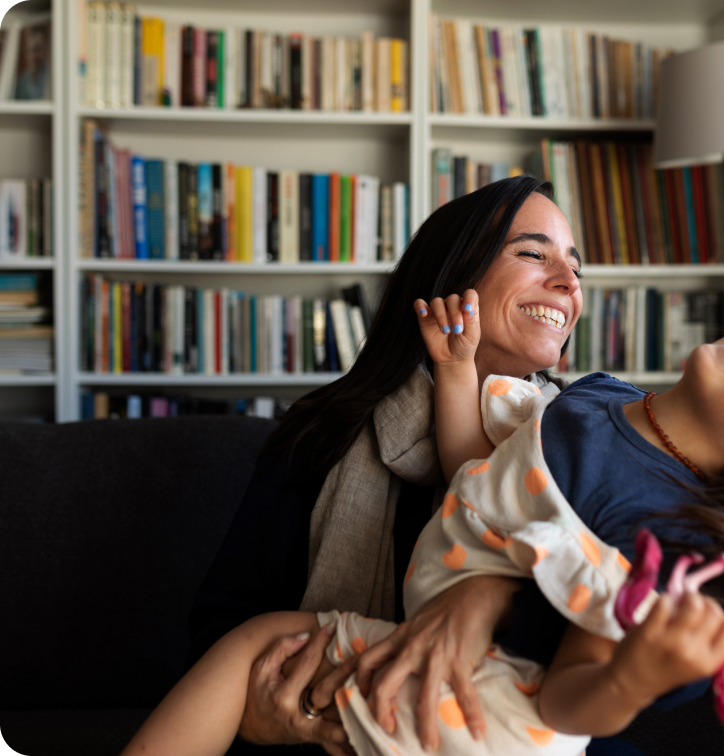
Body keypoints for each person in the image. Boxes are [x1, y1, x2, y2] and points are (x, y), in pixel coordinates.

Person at [122, 287, 724, 755]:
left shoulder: (660, 531)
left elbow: (569, 700)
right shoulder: (598, 399)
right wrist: (456, 376)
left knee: (254, 651)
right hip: (426, 651)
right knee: (254, 643)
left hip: (491, 714)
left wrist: (634, 678)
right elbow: (480, 485)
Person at [185, 176, 585, 755]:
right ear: (454, 275)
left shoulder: (579, 442)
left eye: (576, 269)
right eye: (532, 253)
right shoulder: (326, 431)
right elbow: (220, 632)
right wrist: (264, 715)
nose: (568, 284)